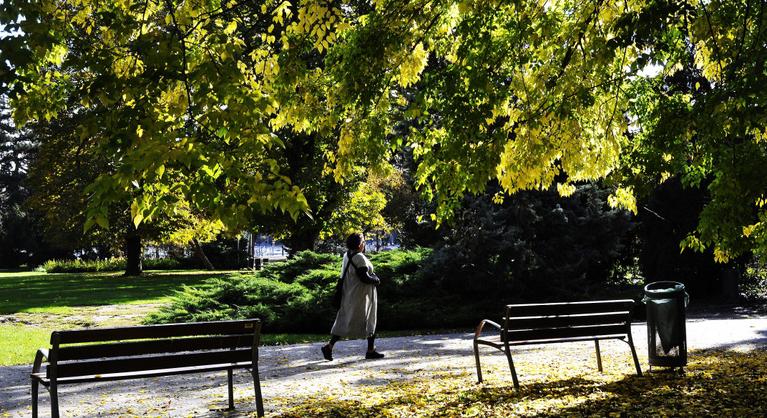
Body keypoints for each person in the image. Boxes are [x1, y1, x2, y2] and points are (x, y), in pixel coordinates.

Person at [321, 232, 384, 360]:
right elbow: (364, 278)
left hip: (350, 293)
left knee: (344, 320)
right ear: (360, 244)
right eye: (363, 241)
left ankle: (329, 347)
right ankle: (370, 351)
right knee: (370, 319)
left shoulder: (347, 254)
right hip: (360, 295)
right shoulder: (359, 257)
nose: (364, 244)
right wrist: (376, 280)